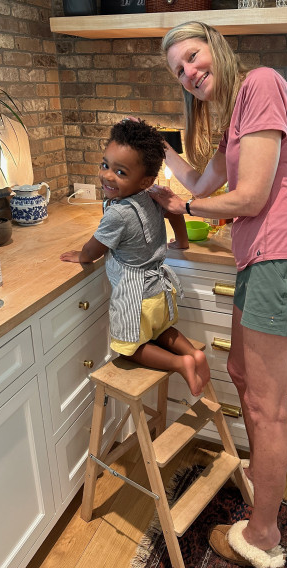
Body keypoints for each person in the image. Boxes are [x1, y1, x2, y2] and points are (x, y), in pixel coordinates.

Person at [149, 21, 287, 568]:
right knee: (243, 376)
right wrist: (159, 154)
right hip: (258, 258)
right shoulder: (232, 117)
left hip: (278, 256)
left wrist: (183, 211)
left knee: (267, 408)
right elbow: (201, 184)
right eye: (180, 70)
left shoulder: (262, 84)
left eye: (194, 57)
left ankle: (263, 533)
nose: (190, 73)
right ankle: (261, 477)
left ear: (216, 47)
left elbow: (249, 197)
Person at [60, 119, 210, 397]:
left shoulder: (118, 213)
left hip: (135, 297)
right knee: (161, 332)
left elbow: (95, 250)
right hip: (159, 292)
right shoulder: (153, 196)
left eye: (120, 172)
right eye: (105, 165)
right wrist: (183, 241)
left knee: (128, 348)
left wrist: (81, 255)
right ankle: (193, 353)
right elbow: (175, 211)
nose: (107, 176)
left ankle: (181, 362)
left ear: (144, 180)